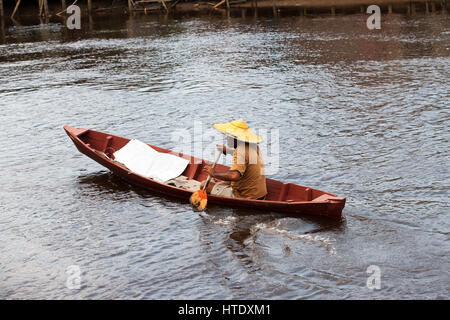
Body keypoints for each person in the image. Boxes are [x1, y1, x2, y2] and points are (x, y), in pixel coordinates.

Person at [200, 119, 267, 200]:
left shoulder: (239, 151)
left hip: (245, 196)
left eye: (229, 136)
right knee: (227, 177)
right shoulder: (252, 145)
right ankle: (220, 185)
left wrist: (214, 173)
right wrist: (227, 151)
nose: (227, 138)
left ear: (236, 139)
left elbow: (234, 176)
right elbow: (245, 157)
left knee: (204, 185)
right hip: (260, 194)